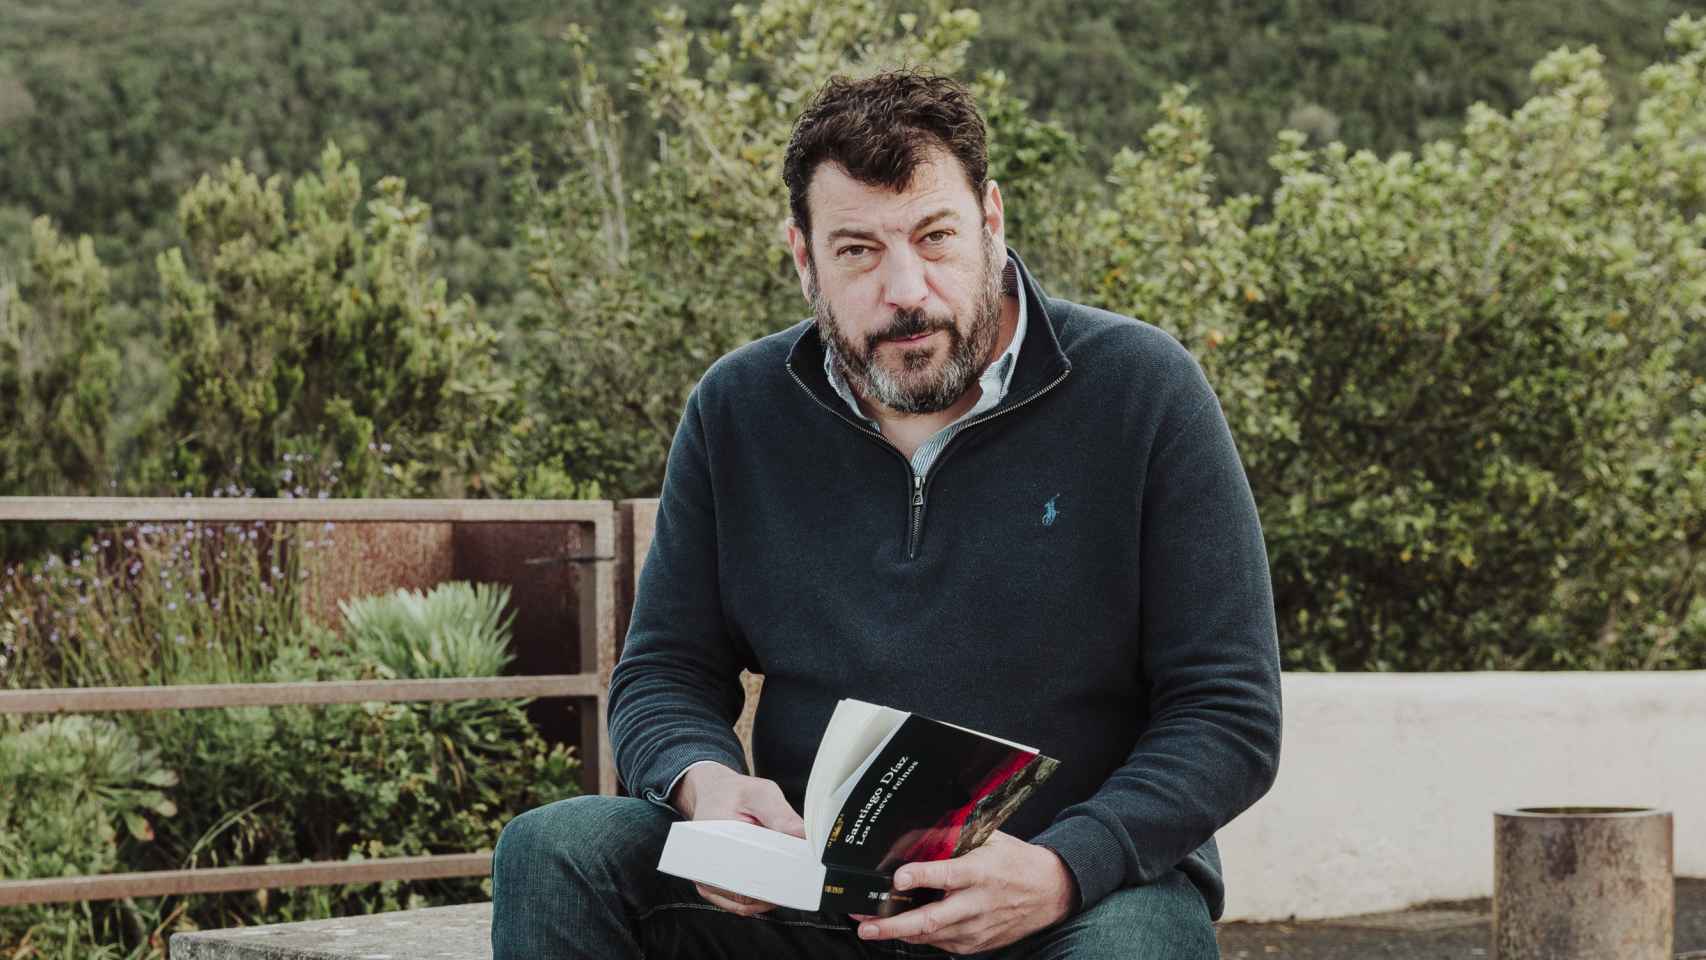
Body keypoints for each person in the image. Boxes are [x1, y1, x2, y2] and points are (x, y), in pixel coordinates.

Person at [491, 68, 1282, 959]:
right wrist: (704, 787)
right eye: (858, 251)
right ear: (804, 259)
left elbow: (1229, 713)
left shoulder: (1144, 390)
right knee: (554, 850)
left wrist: (1065, 867)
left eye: (935, 237)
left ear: (991, 221)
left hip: (1074, 899)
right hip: (812, 895)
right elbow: (664, 670)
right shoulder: (736, 409)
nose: (906, 288)